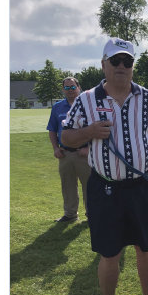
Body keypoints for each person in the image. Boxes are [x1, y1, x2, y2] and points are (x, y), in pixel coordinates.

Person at [60, 39, 148, 295]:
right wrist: (89, 132)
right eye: (115, 61)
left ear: (132, 66)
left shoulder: (146, 97)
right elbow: (66, 137)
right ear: (103, 65)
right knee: (110, 253)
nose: (121, 66)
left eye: (127, 61)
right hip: (104, 188)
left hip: (141, 188)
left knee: (146, 247)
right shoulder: (86, 99)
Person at [48, 78, 90, 224]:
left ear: (79, 87)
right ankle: (70, 214)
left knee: (89, 186)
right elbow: (52, 129)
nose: (70, 90)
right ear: (63, 89)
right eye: (67, 87)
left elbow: (97, 129)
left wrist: (89, 148)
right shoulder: (58, 107)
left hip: (84, 154)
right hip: (65, 154)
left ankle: (92, 215)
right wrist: (55, 148)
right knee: (68, 186)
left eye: (73, 87)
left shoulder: (89, 105)